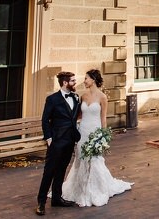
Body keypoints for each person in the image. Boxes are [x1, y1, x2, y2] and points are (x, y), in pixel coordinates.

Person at [61, 68, 132, 207]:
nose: (84, 81)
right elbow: (79, 116)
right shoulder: (82, 96)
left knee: (94, 160)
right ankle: (80, 189)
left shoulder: (102, 97)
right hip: (83, 131)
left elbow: (103, 118)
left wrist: (103, 136)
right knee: (80, 159)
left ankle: (95, 189)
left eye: (86, 78)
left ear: (93, 80)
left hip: (95, 131)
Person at [36, 71, 81, 215]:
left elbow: (75, 116)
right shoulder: (52, 99)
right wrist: (49, 138)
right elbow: (45, 120)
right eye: (73, 81)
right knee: (49, 172)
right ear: (65, 83)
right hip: (56, 141)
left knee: (62, 170)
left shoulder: (75, 97)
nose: (75, 83)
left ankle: (56, 198)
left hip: (70, 141)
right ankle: (41, 202)